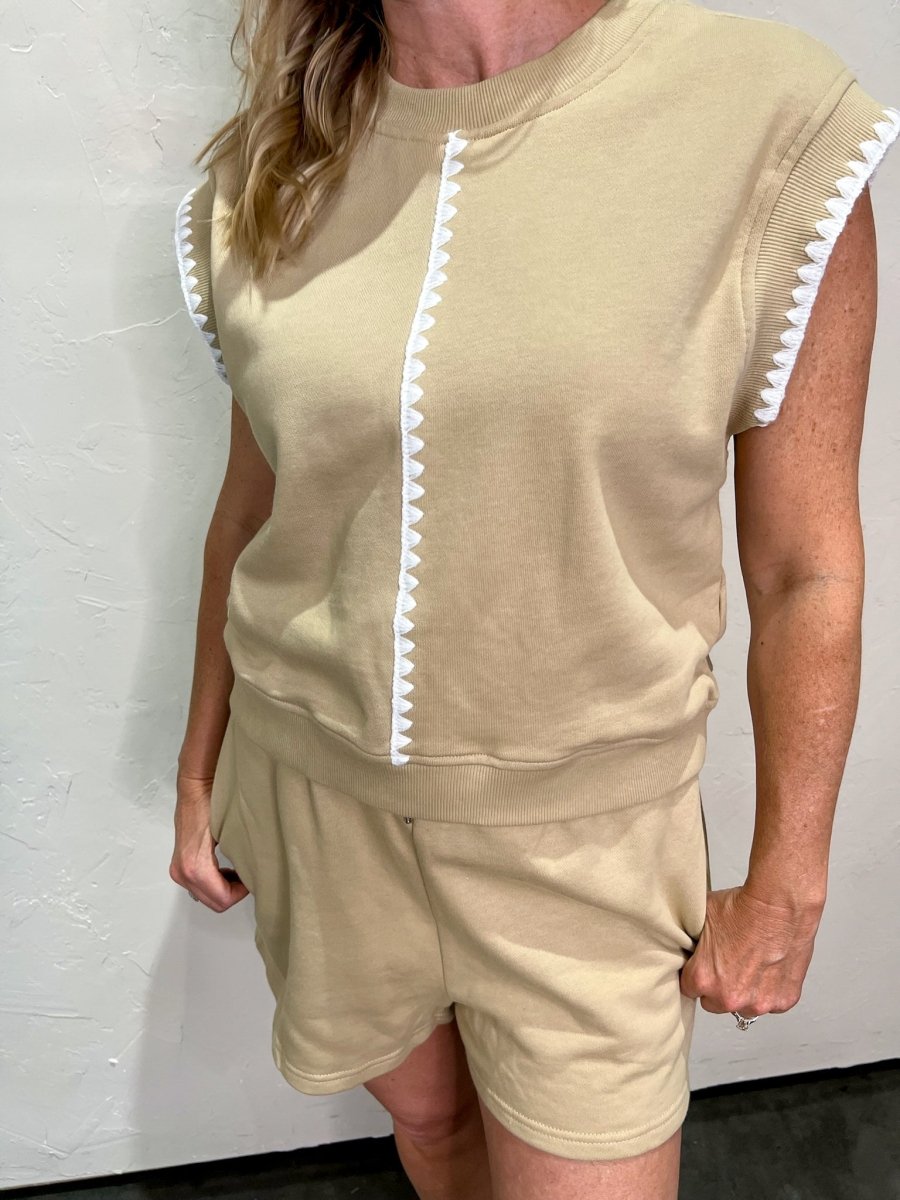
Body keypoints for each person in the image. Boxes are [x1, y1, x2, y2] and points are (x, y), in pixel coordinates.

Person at [168, 1, 898, 1196]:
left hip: (588, 849)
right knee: (433, 1131)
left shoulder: (761, 116)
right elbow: (255, 506)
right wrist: (202, 773)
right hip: (312, 804)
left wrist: (789, 882)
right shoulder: (280, 150)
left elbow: (804, 566)